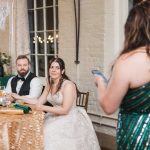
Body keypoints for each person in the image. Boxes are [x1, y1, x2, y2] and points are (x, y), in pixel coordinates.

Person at [94, 1, 150, 149]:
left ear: (132, 27)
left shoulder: (128, 62)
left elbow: (108, 106)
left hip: (137, 136)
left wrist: (100, 82)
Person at [12, 57, 100, 150]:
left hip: (69, 118)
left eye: (57, 68)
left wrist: (42, 107)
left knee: (46, 133)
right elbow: (38, 102)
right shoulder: (50, 83)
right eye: (51, 67)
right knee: (35, 129)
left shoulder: (68, 85)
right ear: (49, 69)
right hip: (54, 115)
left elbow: (65, 110)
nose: (54, 70)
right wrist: (19, 97)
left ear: (62, 71)